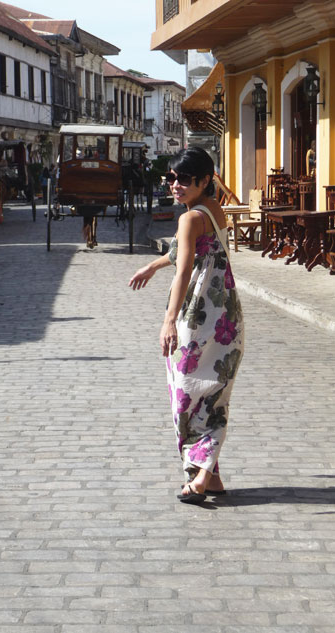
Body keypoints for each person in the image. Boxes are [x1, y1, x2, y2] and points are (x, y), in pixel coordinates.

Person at [129, 147, 244, 505]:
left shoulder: (189, 218)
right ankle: (211, 478)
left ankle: (199, 477)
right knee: (210, 395)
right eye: (171, 178)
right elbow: (188, 252)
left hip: (199, 316)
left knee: (188, 398)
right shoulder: (213, 209)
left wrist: (168, 322)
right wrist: (153, 265)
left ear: (204, 181)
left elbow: (184, 269)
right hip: (227, 316)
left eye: (183, 179)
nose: (175, 185)